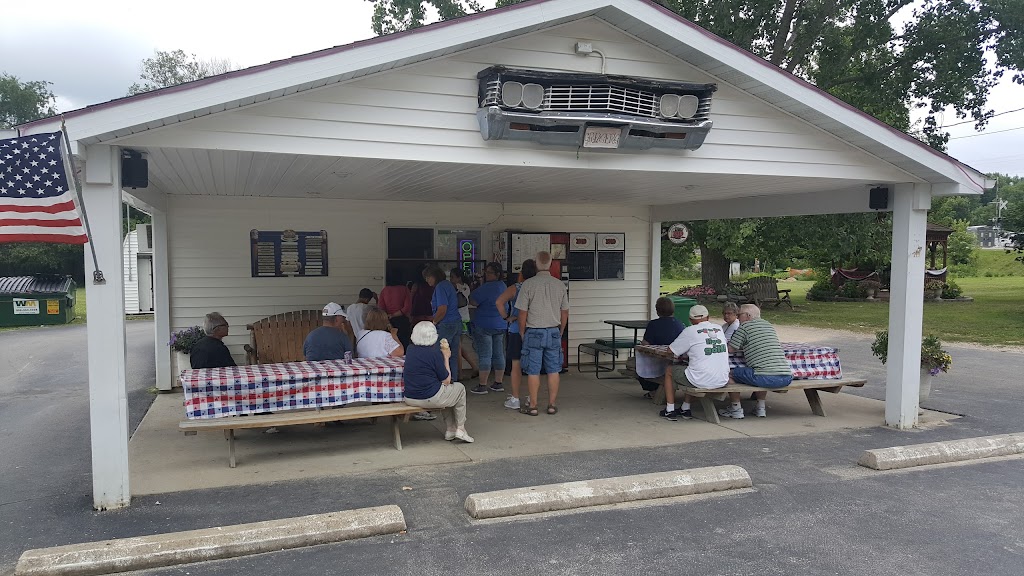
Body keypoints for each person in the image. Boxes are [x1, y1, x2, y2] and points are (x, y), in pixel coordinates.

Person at [516, 251, 569, 416]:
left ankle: (533, 406)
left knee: (533, 370)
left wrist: (522, 332)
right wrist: (560, 331)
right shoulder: (559, 285)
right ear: (551, 263)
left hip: (534, 331)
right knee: (553, 369)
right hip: (553, 330)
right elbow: (565, 312)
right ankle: (552, 405)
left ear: (536, 263)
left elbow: (522, 313)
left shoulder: (528, 285)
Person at [403, 321, 473, 443]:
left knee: (447, 393)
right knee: (459, 388)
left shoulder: (410, 349)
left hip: (410, 397)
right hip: (430, 398)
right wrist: (446, 357)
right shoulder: (434, 353)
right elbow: (446, 380)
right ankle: (461, 428)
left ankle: (451, 429)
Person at [658, 305, 730, 421]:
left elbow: (671, 350)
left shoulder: (690, 331)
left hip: (702, 379)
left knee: (670, 370)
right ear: (708, 317)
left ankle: (669, 410)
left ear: (690, 320)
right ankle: (685, 408)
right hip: (722, 379)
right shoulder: (718, 329)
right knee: (690, 369)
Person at [722, 304, 793, 419]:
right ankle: (760, 408)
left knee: (728, 373)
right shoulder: (768, 325)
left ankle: (736, 409)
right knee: (760, 370)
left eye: (739, 315)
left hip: (764, 377)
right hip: (786, 377)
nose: (738, 318)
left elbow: (729, 349)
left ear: (748, 316)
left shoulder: (744, 327)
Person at [495, 259, 537, 410]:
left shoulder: (516, 288)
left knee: (516, 365)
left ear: (521, 272)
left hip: (515, 329)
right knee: (534, 365)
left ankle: (515, 398)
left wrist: (506, 317)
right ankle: (532, 398)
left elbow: (499, 302)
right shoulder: (538, 287)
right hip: (534, 328)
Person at [468, 262, 508, 395]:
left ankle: (482, 385)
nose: (486, 274)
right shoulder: (503, 286)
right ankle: (498, 382)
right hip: (501, 324)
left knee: (485, 355)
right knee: (499, 354)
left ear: (496, 274)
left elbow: (473, 301)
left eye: (489, 272)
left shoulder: (486, 287)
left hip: (484, 324)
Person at [634, 297, 685, 396]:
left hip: (658, 361)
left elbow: (646, 343)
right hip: (676, 360)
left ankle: (653, 390)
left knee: (637, 362)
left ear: (657, 310)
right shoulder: (679, 324)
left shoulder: (653, 324)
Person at [424, 265, 463, 382]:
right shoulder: (448, 285)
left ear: (434, 276)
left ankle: (443, 382)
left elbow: (442, 309)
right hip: (456, 322)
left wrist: (434, 322)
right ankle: (453, 381)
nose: (427, 280)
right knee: (453, 355)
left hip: (445, 324)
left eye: (428, 277)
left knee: (441, 354)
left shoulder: (440, 287)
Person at [449, 268, 479, 382]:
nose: (451, 279)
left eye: (452, 277)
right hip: (465, 318)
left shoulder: (457, 288)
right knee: (459, 346)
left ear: (458, 277)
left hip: (459, 319)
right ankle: (473, 366)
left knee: (457, 347)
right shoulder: (466, 287)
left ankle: (460, 373)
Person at [379, 273, 413, 348]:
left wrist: (388, 316)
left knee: (390, 344)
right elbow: (407, 307)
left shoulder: (384, 290)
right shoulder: (405, 289)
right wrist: (394, 314)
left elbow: (381, 307)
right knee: (404, 343)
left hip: (388, 321)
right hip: (402, 320)